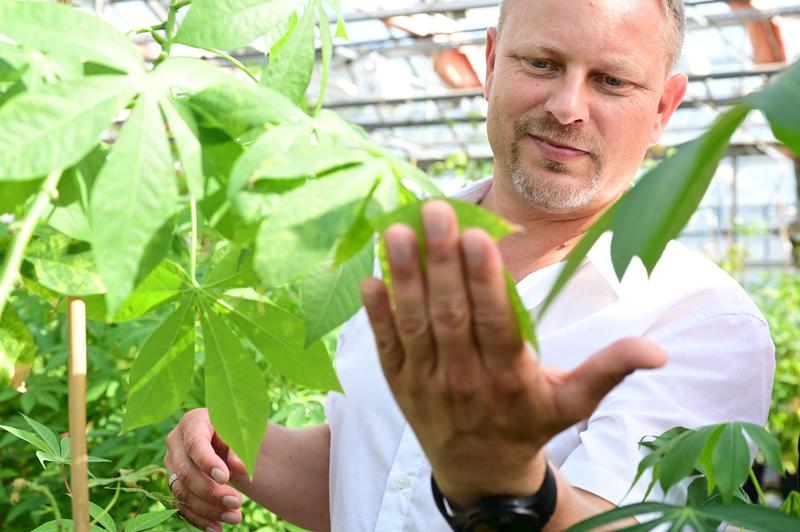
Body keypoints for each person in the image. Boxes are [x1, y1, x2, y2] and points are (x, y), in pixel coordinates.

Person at [164, 0, 775, 530]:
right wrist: (236, 442)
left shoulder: (701, 321)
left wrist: (512, 488)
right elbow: (367, 477)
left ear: (664, 107)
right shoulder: (393, 243)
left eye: (611, 81)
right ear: (489, 64)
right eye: (542, 63)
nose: (567, 107)